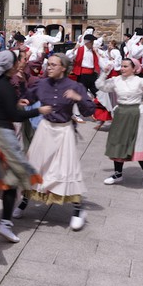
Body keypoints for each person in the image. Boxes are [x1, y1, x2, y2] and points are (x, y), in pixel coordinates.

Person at [14, 53, 95, 230]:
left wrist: (79, 98)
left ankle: (77, 209)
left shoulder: (75, 86)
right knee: (35, 166)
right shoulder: (42, 83)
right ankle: (24, 202)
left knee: (67, 169)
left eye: (53, 65)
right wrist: (23, 95)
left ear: (63, 68)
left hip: (64, 130)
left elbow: (89, 110)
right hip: (45, 129)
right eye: (48, 64)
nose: (48, 67)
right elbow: (29, 97)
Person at [0, 51, 51, 243]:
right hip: (2, 133)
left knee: (4, 178)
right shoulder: (5, 85)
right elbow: (15, 115)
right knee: (17, 176)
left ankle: (1, 217)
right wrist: (38, 110)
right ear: (9, 66)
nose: (18, 65)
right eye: (16, 63)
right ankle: (4, 222)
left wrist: (16, 104)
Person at [96, 58, 143, 191]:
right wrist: (105, 72)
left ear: (134, 68)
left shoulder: (140, 81)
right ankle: (118, 174)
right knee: (118, 142)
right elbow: (100, 86)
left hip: (136, 112)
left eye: (125, 66)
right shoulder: (116, 80)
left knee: (138, 143)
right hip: (121, 112)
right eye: (122, 66)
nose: (122, 69)